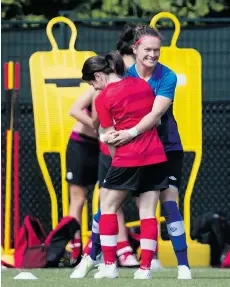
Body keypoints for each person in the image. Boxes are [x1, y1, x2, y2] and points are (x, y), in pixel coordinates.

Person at [108, 25, 192, 280]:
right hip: (134, 149)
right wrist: (110, 134)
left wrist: (129, 132)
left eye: (157, 50)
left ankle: (183, 265)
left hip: (166, 147)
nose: (153, 55)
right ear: (135, 49)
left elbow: (155, 115)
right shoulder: (123, 76)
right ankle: (97, 260)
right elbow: (110, 107)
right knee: (109, 203)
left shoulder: (167, 77)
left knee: (169, 203)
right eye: (148, 49)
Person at [80, 52, 168, 279]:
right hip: (156, 156)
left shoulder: (103, 98)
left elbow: (110, 139)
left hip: (127, 159)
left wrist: (110, 149)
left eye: (92, 83)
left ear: (99, 76)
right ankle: (145, 269)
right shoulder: (143, 85)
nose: (94, 89)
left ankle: (110, 266)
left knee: (107, 206)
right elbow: (155, 120)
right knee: (148, 212)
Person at [70, 25, 139, 279]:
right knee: (101, 201)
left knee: (115, 201)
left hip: (127, 149)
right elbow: (83, 114)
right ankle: (89, 253)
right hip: (102, 148)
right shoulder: (100, 90)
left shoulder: (133, 85)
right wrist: (99, 126)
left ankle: (102, 252)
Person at [66, 87, 99, 262]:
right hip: (81, 145)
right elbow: (74, 110)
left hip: (104, 147)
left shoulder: (126, 88)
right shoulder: (95, 89)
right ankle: (74, 246)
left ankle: (115, 248)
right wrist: (97, 126)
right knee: (78, 199)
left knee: (110, 198)